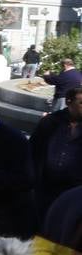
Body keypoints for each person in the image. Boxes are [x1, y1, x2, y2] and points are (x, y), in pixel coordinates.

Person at [30, 85, 82, 220]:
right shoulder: (51, 121)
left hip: (74, 192)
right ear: (68, 101)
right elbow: (33, 151)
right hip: (44, 188)